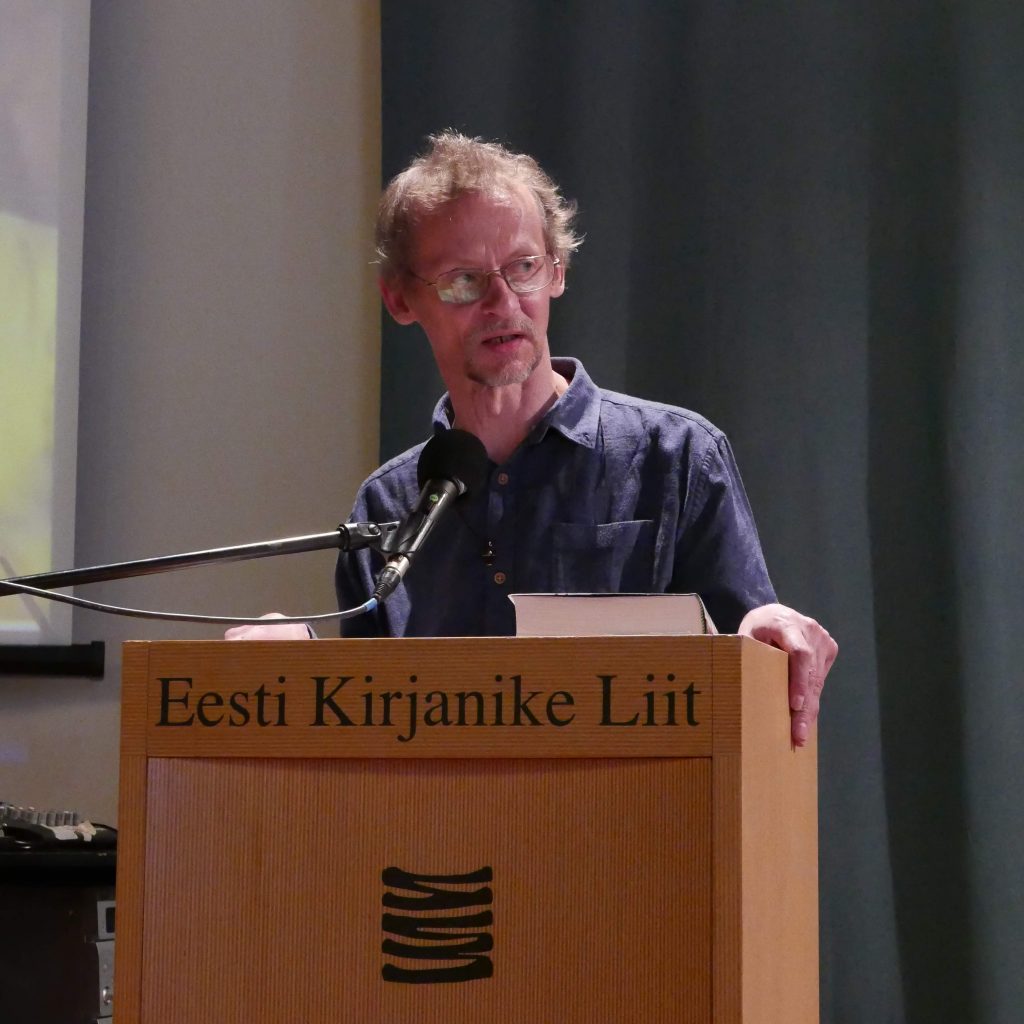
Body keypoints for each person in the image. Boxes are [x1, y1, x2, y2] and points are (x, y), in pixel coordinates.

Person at [231, 131, 837, 747]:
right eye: (463, 279)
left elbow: (752, 675)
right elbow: (364, 735)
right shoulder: (386, 508)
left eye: (522, 267)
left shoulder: (677, 457)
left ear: (557, 271)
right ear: (399, 298)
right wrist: (296, 662)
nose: (502, 302)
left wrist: (767, 634)